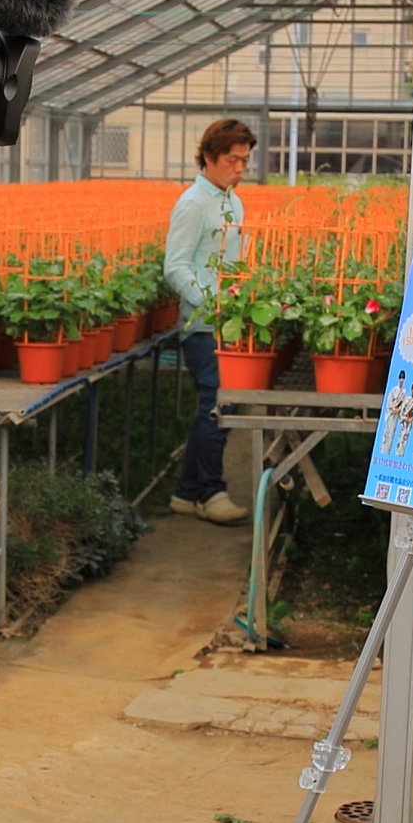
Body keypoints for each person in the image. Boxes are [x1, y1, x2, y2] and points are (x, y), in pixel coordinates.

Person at [163, 117, 252, 524]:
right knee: (217, 404)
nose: (239, 168)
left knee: (217, 404)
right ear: (210, 158)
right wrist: (211, 303)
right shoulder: (193, 203)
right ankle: (211, 492)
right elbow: (175, 267)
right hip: (202, 326)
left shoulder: (232, 201)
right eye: (233, 160)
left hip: (227, 320)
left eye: (244, 161)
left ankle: (187, 493)